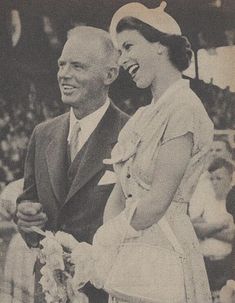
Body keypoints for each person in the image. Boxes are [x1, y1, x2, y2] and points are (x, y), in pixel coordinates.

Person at [57, 2, 214, 302]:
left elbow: (157, 201)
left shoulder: (184, 107)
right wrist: (106, 249)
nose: (123, 59)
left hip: (166, 251)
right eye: (120, 50)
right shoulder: (141, 118)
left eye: (129, 46)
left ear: (159, 45)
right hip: (131, 253)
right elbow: (121, 191)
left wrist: (107, 237)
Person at [16, 26, 129, 303]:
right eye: (61, 64)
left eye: (77, 66)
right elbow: (29, 207)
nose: (64, 74)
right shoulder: (42, 134)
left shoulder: (132, 133)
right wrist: (26, 217)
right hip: (49, 289)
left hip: (108, 290)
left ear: (110, 75)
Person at [191, 158, 235, 302]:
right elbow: (193, 229)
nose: (215, 182)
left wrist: (206, 228)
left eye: (219, 178)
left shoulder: (232, 202)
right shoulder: (205, 199)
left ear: (230, 177)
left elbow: (232, 237)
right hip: (204, 263)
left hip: (226, 265)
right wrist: (220, 225)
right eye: (212, 179)